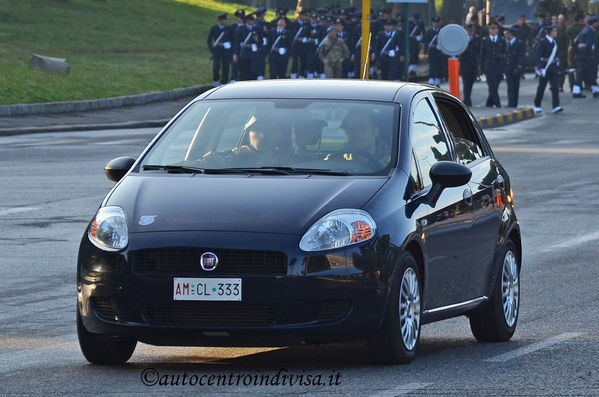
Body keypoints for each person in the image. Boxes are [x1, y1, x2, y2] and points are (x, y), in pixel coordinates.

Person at [533, 24, 563, 113]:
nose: (556, 32)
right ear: (550, 32)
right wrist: (540, 67)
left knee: (555, 87)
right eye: (554, 31)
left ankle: (556, 106)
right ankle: (537, 105)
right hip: (545, 68)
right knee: (541, 87)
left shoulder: (554, 42)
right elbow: (538, 56)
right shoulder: (542, 42)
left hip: (553, 68)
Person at [571, 15, 599, 98]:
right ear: (594, 23)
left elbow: (575, 42)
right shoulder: (590, 32)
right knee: (590, 74)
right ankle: (596, 91)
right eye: (597, 22)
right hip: (586, 57)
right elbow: (588, 46)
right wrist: (591, 55)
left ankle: (576, 92)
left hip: (581, 56)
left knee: (582, 74)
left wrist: (578, 52)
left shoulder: (584, 30)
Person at [480, 22, 506, 108]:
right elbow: (482, 55)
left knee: (496, 85)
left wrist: (501, 57)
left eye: (495, 28)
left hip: (498, 66)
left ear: (498, 30)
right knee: (492, 85)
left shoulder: (501, 40)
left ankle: (489, 103)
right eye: (491, 28)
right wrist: (481, 68)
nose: (493, 30)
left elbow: (505, 53)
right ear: (489, 30)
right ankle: (498, 104)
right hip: (489, 66)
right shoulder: (485, 40)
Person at [207, 13, 233, 86]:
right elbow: (209, 40)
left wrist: (226, 44)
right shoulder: (214, 28)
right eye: (225, 20)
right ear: (221, 20)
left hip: (226, 50)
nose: (226, 21)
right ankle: (216, 79)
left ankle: (224, 81)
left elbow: (232, 39)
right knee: (216, 66)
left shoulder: (229, 29)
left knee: (226, 66)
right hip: (217, 50)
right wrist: (211, 48)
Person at [504, 27, 525, 107]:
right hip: (508, 68)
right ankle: (511, 103)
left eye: (507, 34)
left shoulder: (519, 43)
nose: (506, 35)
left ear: (511, 34)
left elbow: (521, 56)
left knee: (516, 86)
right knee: (510, 86)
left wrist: (519, 66)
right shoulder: (506, 43)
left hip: (516, 68)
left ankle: (514, 103)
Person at [460, 23, 481, 107]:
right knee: (466, 83)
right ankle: (467, 100)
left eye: (472, 31)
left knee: (471, 83)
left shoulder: (477, 39)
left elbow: (479, 52)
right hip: (465, 66)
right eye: (468, 30)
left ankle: (467, 98)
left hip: (473, 66)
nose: (470, 32)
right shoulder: (463, 40)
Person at [408, 13, 425, 80]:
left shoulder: (420, 23)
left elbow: (423, 33)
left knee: (415, 55)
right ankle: (411, 69)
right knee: (411, 55)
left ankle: (414, 70)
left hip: (417, 42)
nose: (416, 19)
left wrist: (421, 41)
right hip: (410, 42)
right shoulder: (409, 23)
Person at [425, 17, 442, 87]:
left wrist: (438, 46)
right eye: (434, 22)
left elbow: (443, 41)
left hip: (439, 52)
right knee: (432, 66)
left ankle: (438, 81)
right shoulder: (429, 31)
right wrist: (426, 52)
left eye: (437, 23)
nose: (436, 24)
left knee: (439, 66)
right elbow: (426, 41)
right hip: (431, 51)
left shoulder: (441, 31)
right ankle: (431, 80)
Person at [556, 14, 569, 91]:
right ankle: (555, 84)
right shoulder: (555, 29)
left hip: (562, 53)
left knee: (562, 70)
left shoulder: (566, 29)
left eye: (562, 19)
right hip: (555, 52)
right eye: (560, 19)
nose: (561, 21)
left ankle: (560, 85)